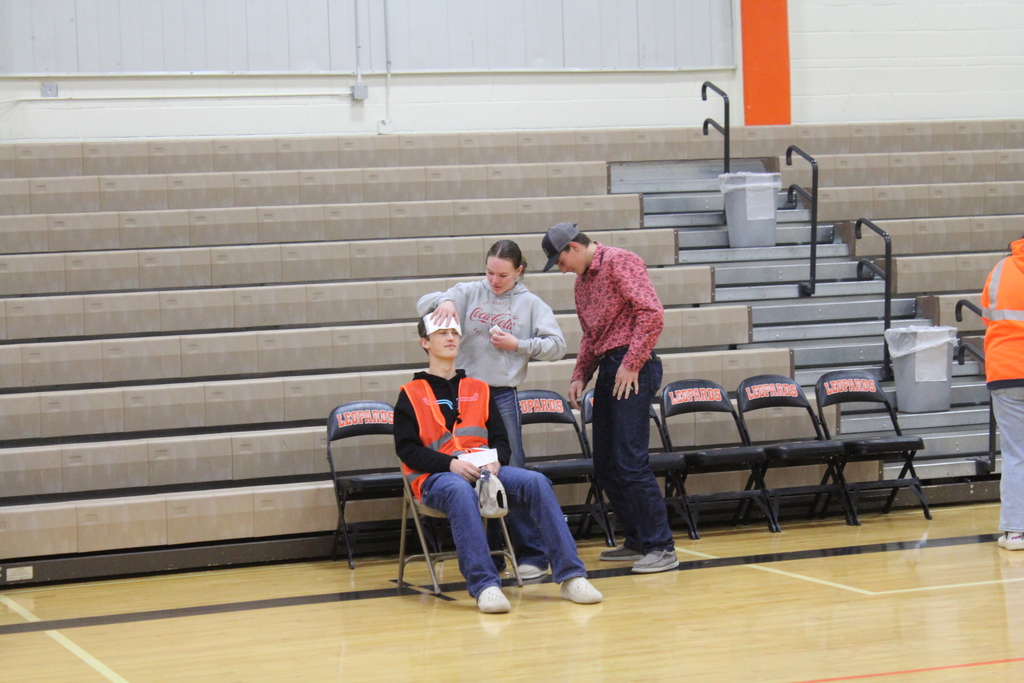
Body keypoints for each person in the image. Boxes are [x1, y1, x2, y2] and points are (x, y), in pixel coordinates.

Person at [393, 312, 602, 613]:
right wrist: (450, 464)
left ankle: (571, 576)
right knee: (459, 490)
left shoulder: (479, 388)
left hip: (484, 472)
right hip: (437, 478)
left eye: (454, 332)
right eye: (441, 333)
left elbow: (501, 441)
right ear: (425, 342)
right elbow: (407, 450)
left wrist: (496, 462)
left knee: (535, 482)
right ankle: (485, 585)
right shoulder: (409, 394)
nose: (450, 337)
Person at [416, 239, 566, 580]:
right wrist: (448, 302)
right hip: (463, 393)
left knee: (511, 471)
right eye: (489, 272)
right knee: (471, 474)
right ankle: (494, 558)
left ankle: (533, 556)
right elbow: (423, 304)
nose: (494, 280)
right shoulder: (469, 291)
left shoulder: (530, 304)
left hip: (500, 394)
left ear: (519, 271)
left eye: (502, 275)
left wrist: (520, 345)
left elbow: (557, 346)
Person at [541, 221, 678, 574]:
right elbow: (590, 336)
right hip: (608, 366)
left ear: (573, 247)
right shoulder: (581, 284)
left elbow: (651, 314)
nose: (562, 268)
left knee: (631, 459)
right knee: (606, 462)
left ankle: (661, 547)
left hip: (632, 365)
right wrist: (579, 375)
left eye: (560, 261)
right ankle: (637, 540)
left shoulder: (620, 261)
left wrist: (632, 364)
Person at [982, 235, 1024, 551]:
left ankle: (1015, 532)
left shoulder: (1000, 269)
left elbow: (988, 315)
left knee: (1016, 453)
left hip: (1006, 370)